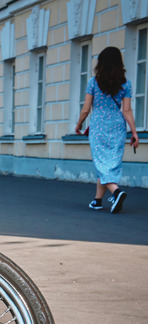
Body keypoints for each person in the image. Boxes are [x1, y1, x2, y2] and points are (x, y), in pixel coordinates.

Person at [75, 46, 139, 214]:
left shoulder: (93, 82)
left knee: (101, 162)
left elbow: (86, 109)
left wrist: (79, 124)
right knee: (108, 163)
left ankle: (116, 192)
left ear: (101, 63)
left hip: (98, 126)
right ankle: (97, 201)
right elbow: (127, 110)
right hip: (117, 126)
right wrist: (134, 132)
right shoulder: (126, 84)